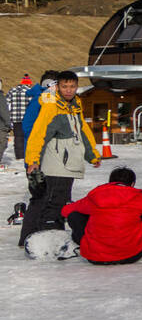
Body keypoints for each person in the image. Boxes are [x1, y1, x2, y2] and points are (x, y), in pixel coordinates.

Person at [19, 71, 100, 248]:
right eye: (64, 86)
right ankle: (47, 242)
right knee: (52, 203)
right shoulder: (51, 105)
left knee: (58, 201)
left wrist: (92, 154)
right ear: (57, 86)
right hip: (55, 163)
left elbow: (83, 130)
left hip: (68, 163)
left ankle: (40, 238)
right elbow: (37, 133)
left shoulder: (75, 104)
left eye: (72, 86)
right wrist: (33, 160)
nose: (69, 90)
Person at [61, 167, 142, 264]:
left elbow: (67, 211)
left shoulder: (94, 197)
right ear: (132, 183)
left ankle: (88, 243)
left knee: (75, 215)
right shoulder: (140, 198)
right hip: (131, 255)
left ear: (110, 182)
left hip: (95, 257)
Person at [5, 74, 33, 161]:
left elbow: (6, 103)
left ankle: (19, 156)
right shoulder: (29, 91)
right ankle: (26, 155)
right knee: (27, 137)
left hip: (15, 118)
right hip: (27, 119)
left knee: (18, 137)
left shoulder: (12, 90)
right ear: (28, 84)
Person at [0, 78, 10, 166]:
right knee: (2, 143)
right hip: (1, 126)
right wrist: (8, 124)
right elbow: (4, 112)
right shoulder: (0, 97)